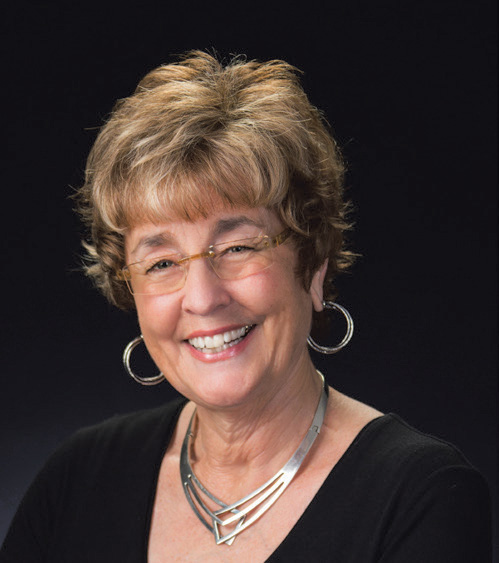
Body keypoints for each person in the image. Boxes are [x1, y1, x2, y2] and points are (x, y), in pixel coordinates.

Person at [0, 51, 491, 562]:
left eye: (237, 247)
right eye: (162, 262)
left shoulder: (421, 495)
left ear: (313, 263)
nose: (203, 298)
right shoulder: (77, 479)